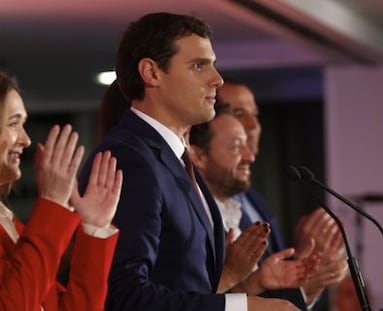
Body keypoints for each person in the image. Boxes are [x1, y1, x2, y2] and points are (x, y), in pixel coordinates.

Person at [79, 12, 299, 311]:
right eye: (199, 66)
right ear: (151, 73)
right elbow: (124, 297)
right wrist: (243, 308)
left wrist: (243, 285)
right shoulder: (130, 159)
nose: (217, 79)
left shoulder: (172, 157)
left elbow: (184, 285)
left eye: (212, 64)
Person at [216, 78, 348, 306]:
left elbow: (272, 293)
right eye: (238, 113)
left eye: (255, 114)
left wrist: (303, 262)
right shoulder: (199, 208)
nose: (252, 125)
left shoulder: (253, 200)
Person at [0, 71, 123, 310]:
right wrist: (52, 204)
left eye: (23, 124)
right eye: (13, 123)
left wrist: (93, 228)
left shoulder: (8, 221)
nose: (26, 139)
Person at [189, 105, 320, 310]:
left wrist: (258, 281)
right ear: (198, 156)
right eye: (235, 146)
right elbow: (188, 301)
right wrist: (231, 274)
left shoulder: (240, 212)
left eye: (247, 145)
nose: (250, 156)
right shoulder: (191, 220)